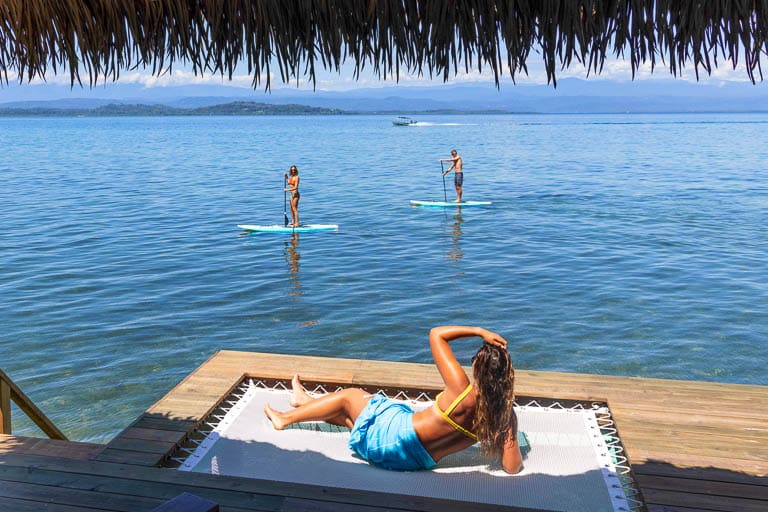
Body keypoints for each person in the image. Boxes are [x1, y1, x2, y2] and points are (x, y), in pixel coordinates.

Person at [264, 326, 523, 474]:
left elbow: (436, 335)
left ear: (478, 368)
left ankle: (285, 418)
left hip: (390, 442)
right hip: (411, 462)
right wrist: (510, 430)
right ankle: (306, 401)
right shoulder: (503, 417)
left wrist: (478, 331)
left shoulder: (461, 390)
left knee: (351, 397)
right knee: (351, 416)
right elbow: (512, 468)